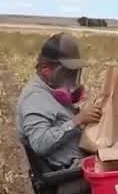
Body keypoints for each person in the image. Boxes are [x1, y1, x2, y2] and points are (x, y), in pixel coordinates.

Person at [16, 32, 101, 171]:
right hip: (70, 174)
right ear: (45, 69)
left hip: (81, 164)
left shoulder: (51, 92)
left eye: (73, 73)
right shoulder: (35, 97)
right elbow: (40, 144)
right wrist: (77, 121)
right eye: (66, 72)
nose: (71, 78)